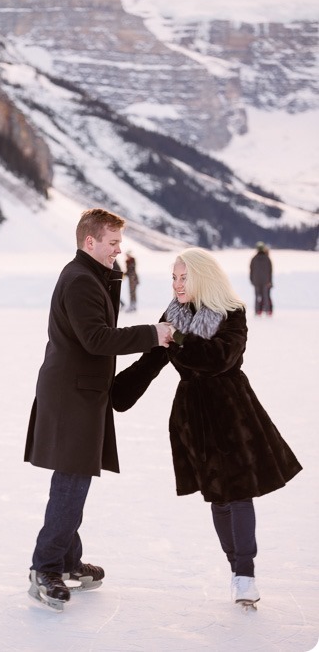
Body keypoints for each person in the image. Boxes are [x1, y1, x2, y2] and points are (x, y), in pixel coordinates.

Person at [112, 247, 302, 608]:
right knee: (217, 495)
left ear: (202, 276)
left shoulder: (232, 312)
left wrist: (176, 338)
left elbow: (218, 358)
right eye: (174, 277)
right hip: (193, 415)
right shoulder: (173, 314)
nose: (178, 284)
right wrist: (111, 394)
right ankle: (237, 570)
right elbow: (149, 362)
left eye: (184, 277)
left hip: (233, 412)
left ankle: (245, 574)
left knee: (238, 490)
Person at [24, 208, 172, 610]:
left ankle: (68, 561)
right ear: (90, 242)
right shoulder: (79, 281)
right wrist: (153, 335)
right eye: (112, 243)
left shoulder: (90, 277)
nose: (118, 251)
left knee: (75, 478)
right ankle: (47, 566)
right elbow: (95, 338)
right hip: (73, 395)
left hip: (80, 392)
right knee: (72, 480)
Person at [250, 242, 273, 315]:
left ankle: (257, 311)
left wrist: (252, 280)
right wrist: (270, 281)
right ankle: (268, 311)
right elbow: (270, 271)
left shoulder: (254, 259)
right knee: (265, 296)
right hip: (266, 281)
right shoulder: (267, 258)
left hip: (256, 281)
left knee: (257, 296)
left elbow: (251, 270)